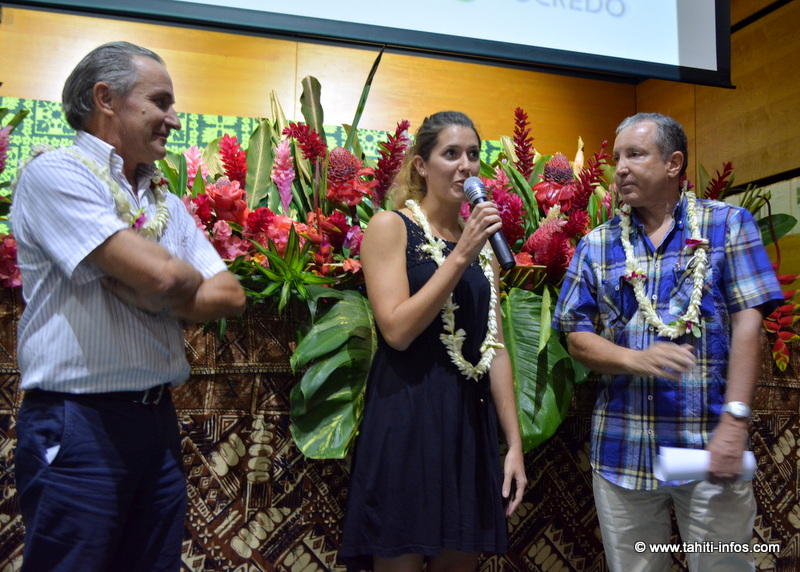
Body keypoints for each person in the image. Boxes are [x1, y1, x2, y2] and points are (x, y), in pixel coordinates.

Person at [11, 41, 246, 571]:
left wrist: (158, 287)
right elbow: (164, 273)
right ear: (105, 98)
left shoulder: (165, 201)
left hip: (155, 422)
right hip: (78, 421)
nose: (175, 119)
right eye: (160, 102)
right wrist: (173, 281)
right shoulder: (57, 175)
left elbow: (231, 294)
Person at [552, 112, 784, 571]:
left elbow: (748, 324)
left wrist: (736, 421)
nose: (619, 167)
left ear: (674, 163)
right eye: (616, 156)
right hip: (623, 451)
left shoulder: (727, 226)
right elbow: (574, 336)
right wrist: (636, 359)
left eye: (635, 154)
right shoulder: (596, 245)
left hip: (708, 446)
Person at [338, 111, 527, 571]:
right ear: (421, 165)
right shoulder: (391, 227)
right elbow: (397, 331)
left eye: (473, 155)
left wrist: (514, 443)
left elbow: (494, 346)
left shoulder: (483, 246)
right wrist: (461, 256)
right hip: (407, 415)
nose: (466, 166)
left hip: (466, 418)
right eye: (451, 154)